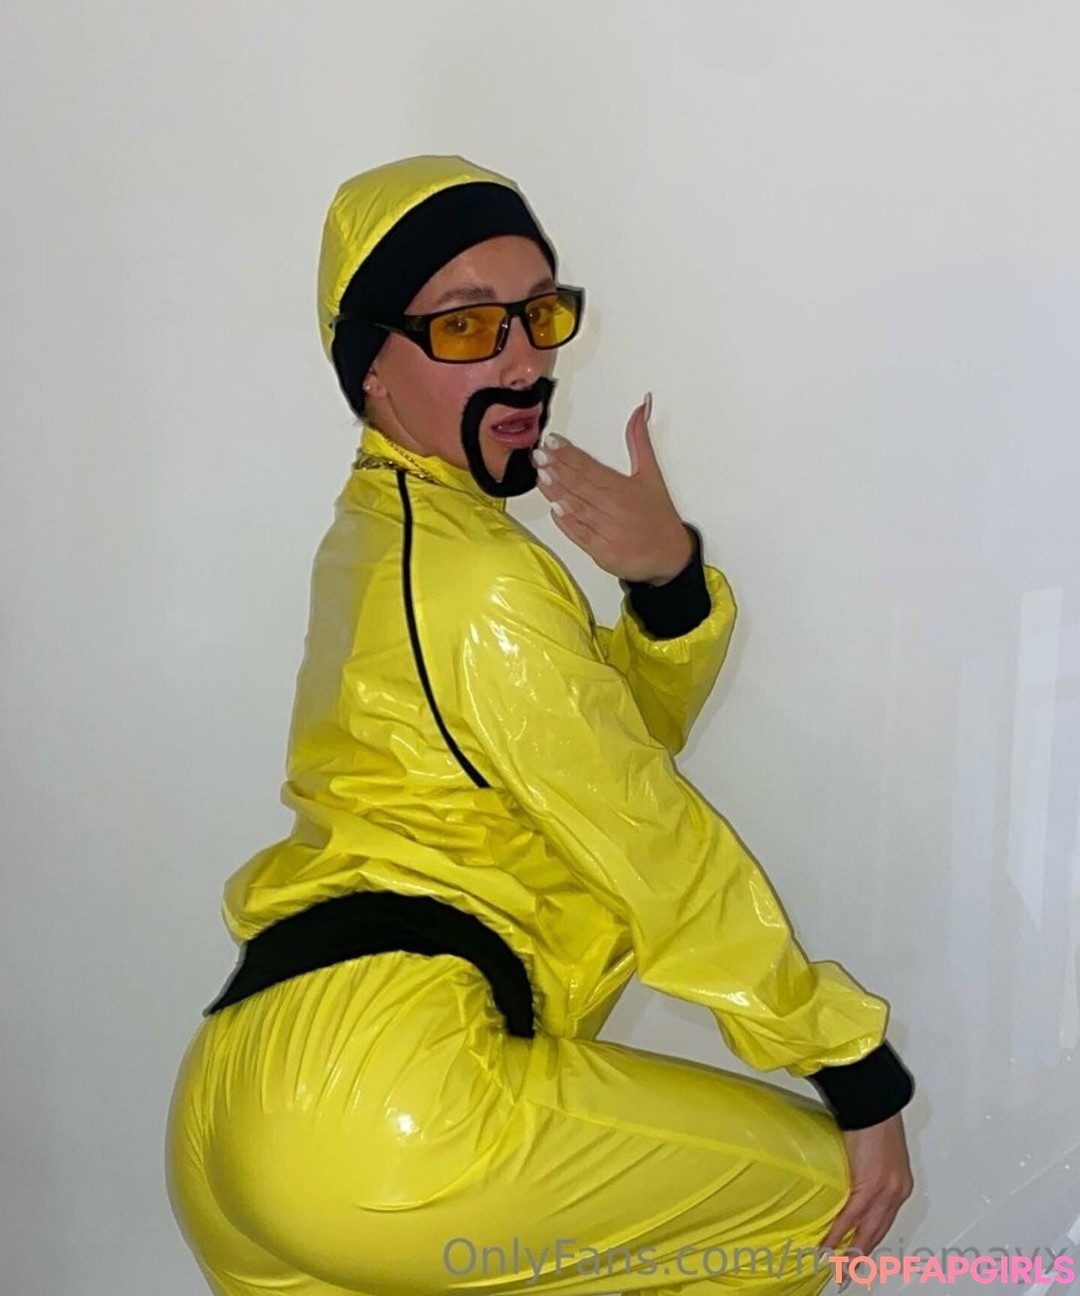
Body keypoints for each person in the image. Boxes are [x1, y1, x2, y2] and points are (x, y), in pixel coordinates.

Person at [165, 154, 915, 1296]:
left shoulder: (378, 540)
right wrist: (850, 1063)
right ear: (372, 366)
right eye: (467, 326)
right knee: (820, 1203)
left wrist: (666, 586)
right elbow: (643, 829)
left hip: (237, 1103)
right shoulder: (480, 580)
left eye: (540, 313)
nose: (524, 361)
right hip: (380, 1106)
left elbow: (588, 756)